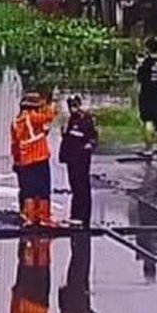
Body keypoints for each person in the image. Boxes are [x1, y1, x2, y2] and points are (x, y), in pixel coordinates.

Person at [11, 91, 58, 227]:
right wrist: (52, 103)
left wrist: (16, 161)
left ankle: (29, 218)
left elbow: (14, 144)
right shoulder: (33, 117)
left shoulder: (15, 122)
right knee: (43, 190)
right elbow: (49, 116)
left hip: (25, 159)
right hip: (40, 157)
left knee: (29, 190)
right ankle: (44, 218)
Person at [59, 95, 98, 227]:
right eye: (70, 106)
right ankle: (75, 215)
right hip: (72, 157)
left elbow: (92, 137)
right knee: (74, 185)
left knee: (82, 186)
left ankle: (83, 215)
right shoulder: (71, 119)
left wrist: (89, 146)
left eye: (75, 105)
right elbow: (67, 137)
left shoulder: (85, 119)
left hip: (81, 157)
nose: (72, 108)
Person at [136, 38, 157, 159]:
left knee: (148, 120)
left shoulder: (146, 62)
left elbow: (140, 78)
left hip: (148, 94)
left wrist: (139, 65)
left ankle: (149, 149)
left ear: (148, 48)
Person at [10, 237, 52, 313]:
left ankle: (34, 238)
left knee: (34, 262)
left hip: (29, 303)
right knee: (39, 260)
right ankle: (38, 238)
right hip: (36, 306)